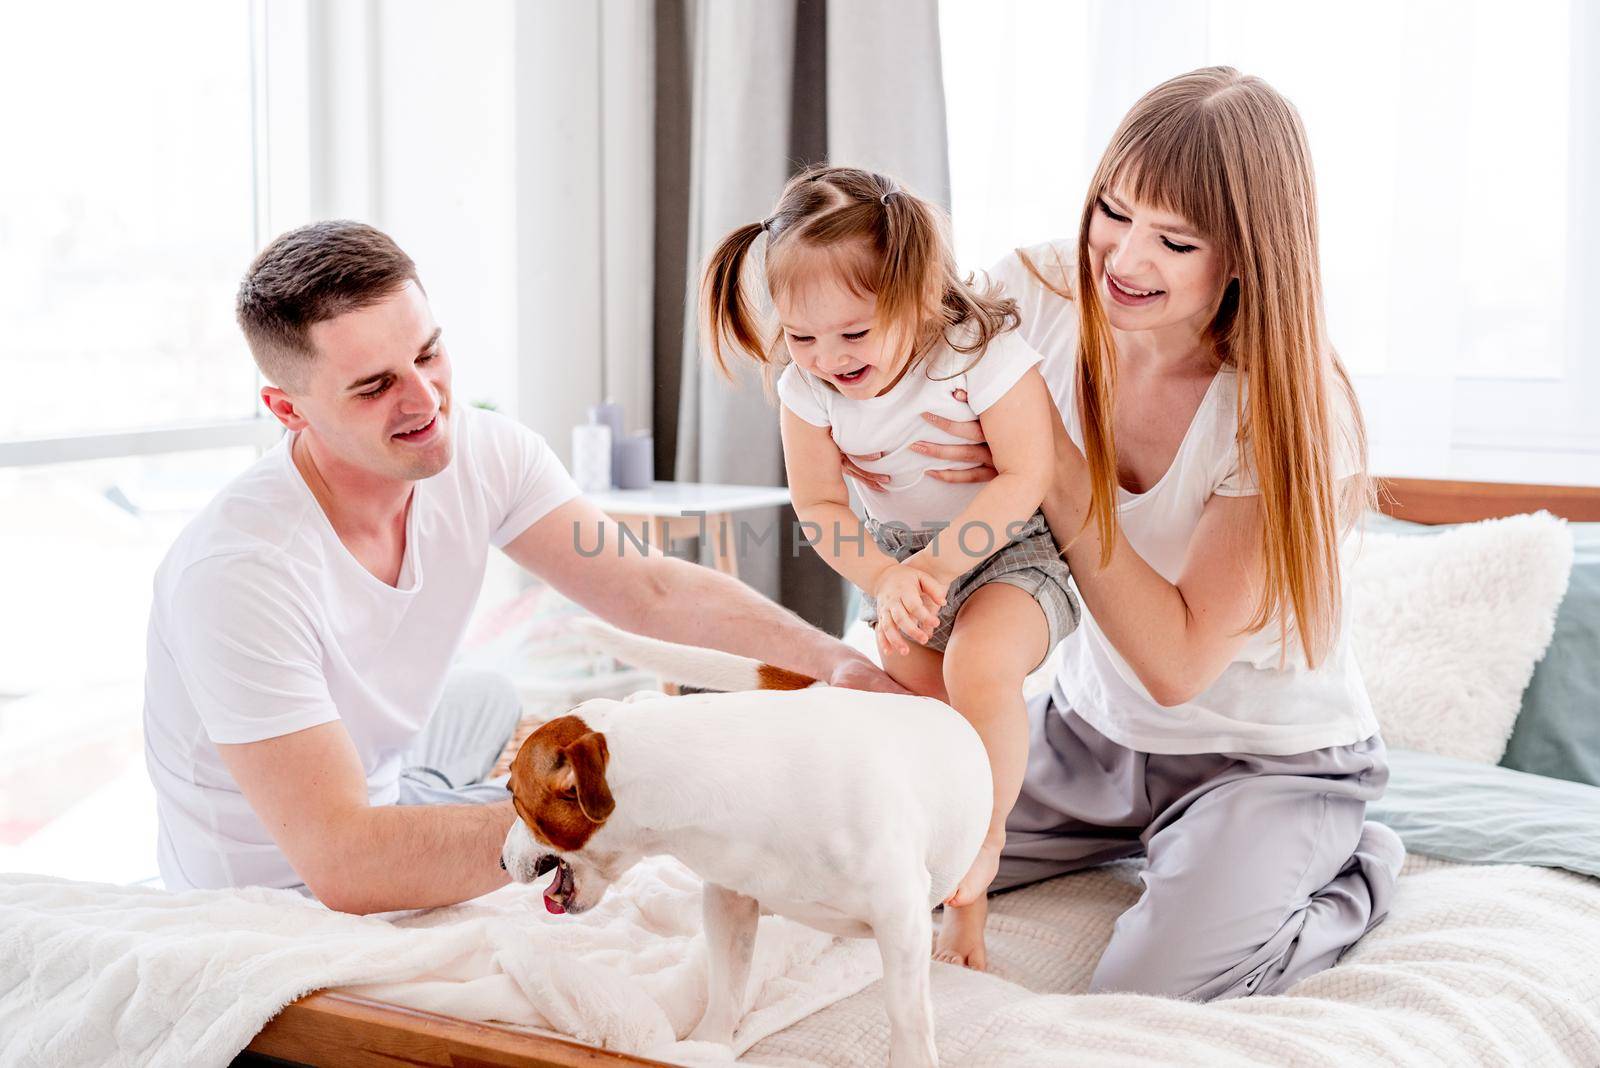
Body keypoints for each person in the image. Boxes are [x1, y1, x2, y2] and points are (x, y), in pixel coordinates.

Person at [142, 220, 902, 914]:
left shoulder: (482, 451)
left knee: (491, 701)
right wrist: (630, 809)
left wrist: (837, 666)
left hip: (390, 797)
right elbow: (346, 862)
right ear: (288, 410)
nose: (424, 400)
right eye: (375, 386)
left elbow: (649, 587)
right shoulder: (240, 574)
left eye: (429, 353)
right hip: (272, 896)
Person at [872, 67, 1405, 982]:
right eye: (1112, 210)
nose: (1122, 258)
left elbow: (1176, 665)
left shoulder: (1293, 408)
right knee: (881, 866)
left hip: (1263, 762)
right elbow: (892, 392)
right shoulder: (1033, 294)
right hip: (1087, 735)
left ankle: (1353, 864)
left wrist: (1049, 463)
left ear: (1245, 254)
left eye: (1174, 239)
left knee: (1145, 988)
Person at [700, 165, 1079, 966]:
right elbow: (822, 509)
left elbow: (1025, 476)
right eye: (801, 337)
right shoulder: (807, 388)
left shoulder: (979, 354)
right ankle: (956, 901)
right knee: (920, 706)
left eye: (852, 333)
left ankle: (988, 834)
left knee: (980, 668)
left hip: (1009, 552)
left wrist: (938, 568)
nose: (827, 357)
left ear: (913, 297)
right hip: (902, 565)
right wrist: (884, 579)